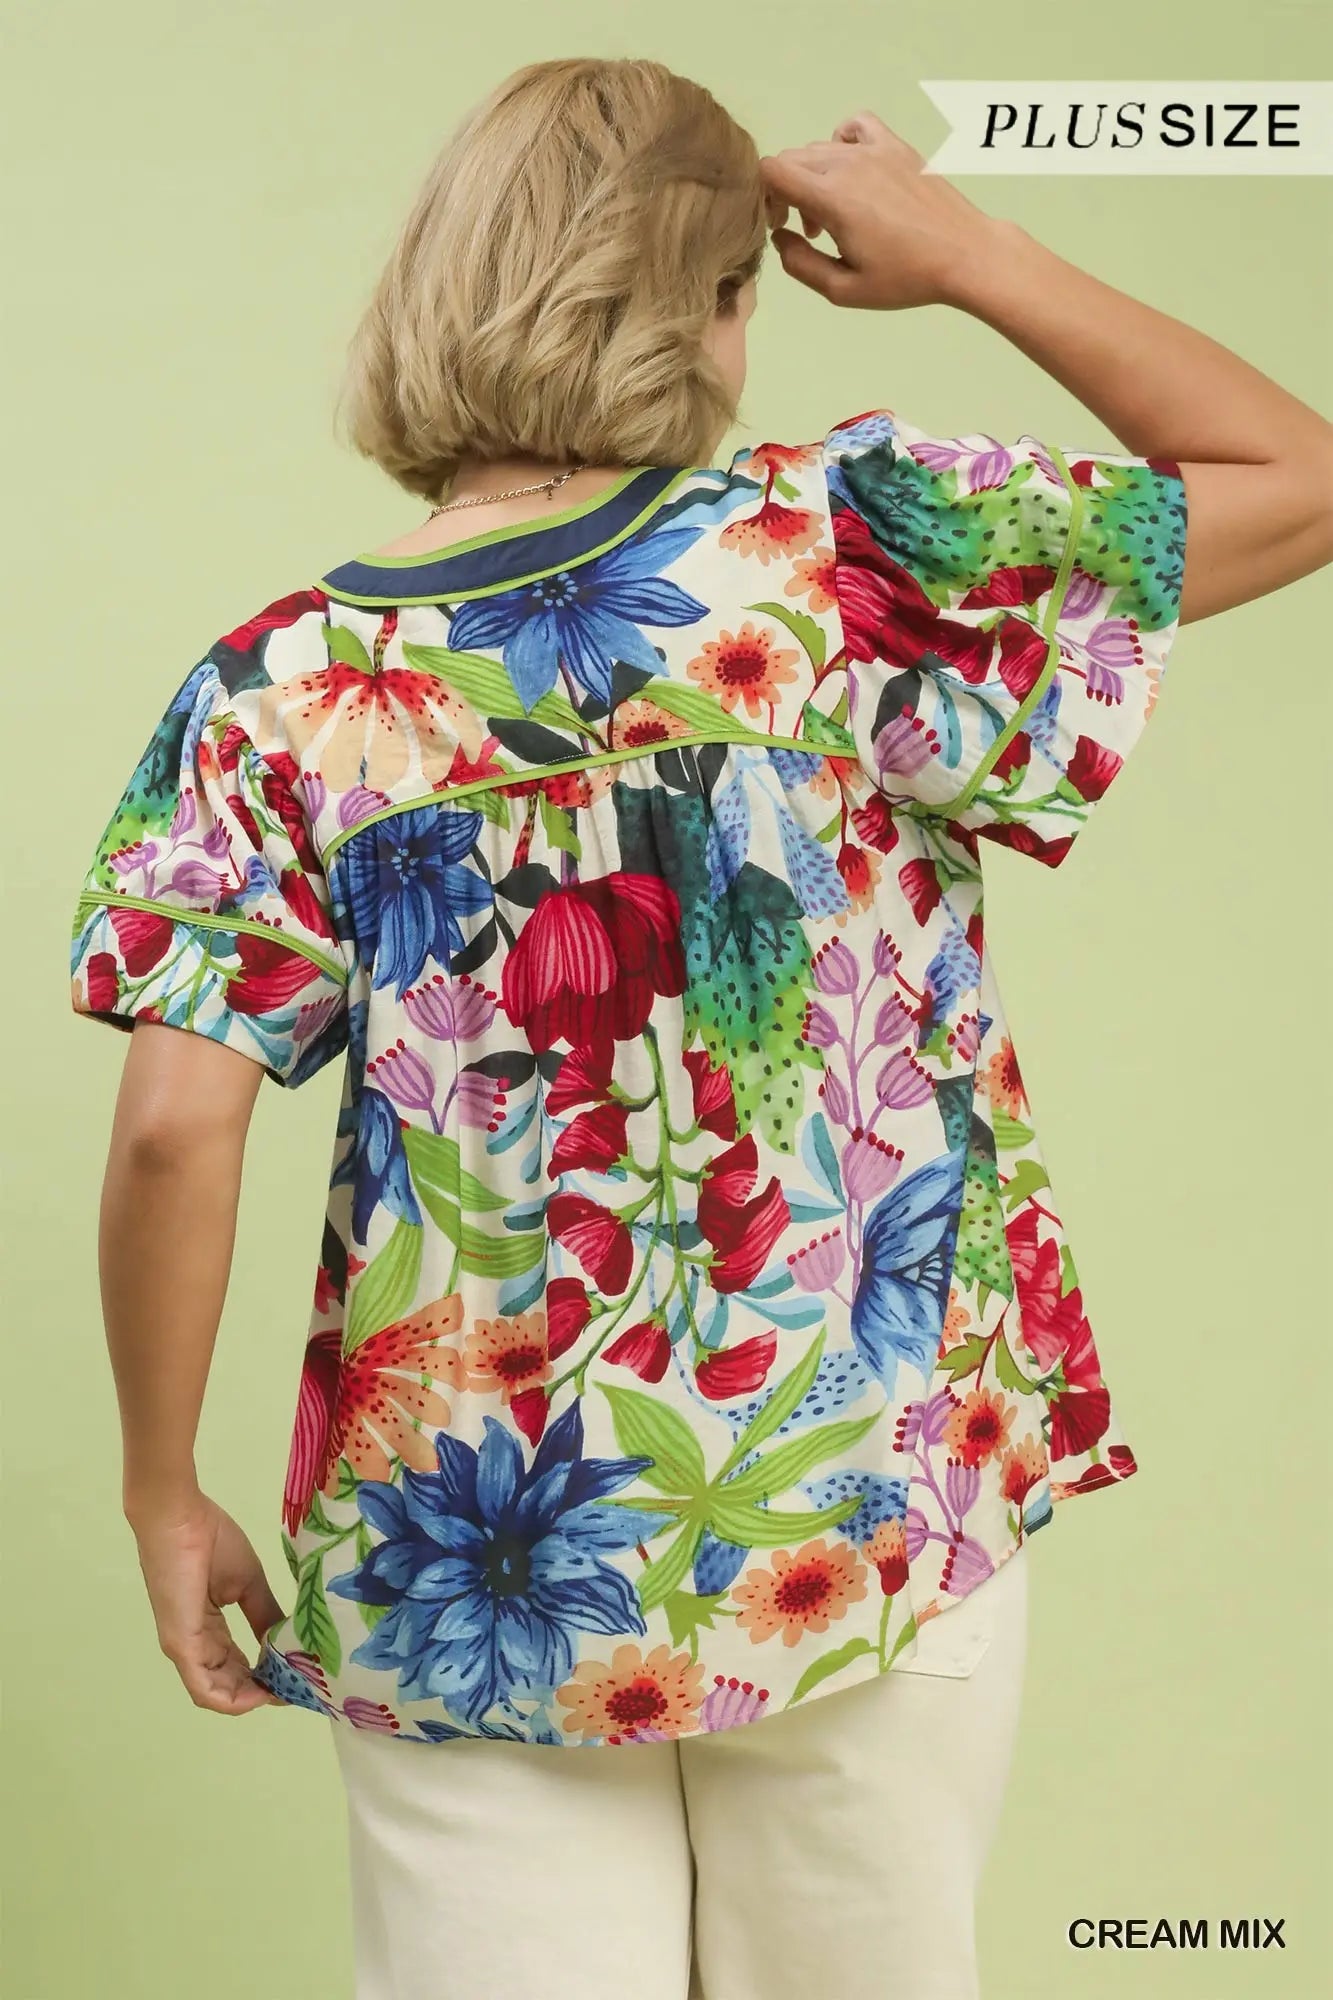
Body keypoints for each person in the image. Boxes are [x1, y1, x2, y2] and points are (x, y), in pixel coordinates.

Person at [67, 55, 1331, 2000]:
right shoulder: (849, 560)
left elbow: (172, 1132)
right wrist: (967, 249)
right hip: (861, 1499)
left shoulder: (281, 687)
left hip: (469, 1562)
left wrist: (164, 1486)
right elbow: (1299, 474)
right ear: (712, 305)